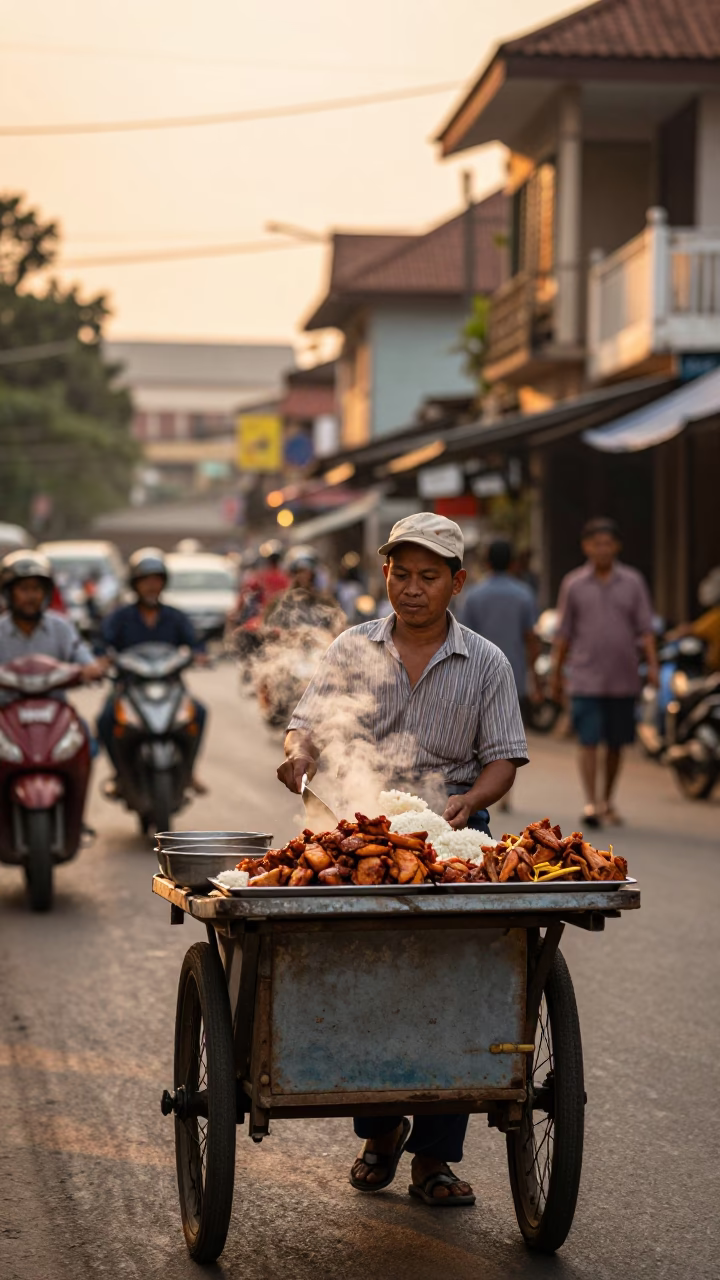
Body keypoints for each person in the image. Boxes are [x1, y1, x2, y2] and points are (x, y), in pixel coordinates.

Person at [277, 512, 528, 1208]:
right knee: (366, 975)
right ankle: (380, 1132)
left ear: (457, 582)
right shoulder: (350, 648)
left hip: (449, 836)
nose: (411, 589)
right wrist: (298, 755)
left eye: (428, 577)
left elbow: (503, 762)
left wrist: (466, 801)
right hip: (358, 836)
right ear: (384, 573)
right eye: (401, 573)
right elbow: (306, 726)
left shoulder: (487, 663)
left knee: (453, 982)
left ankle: (435, 1159)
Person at [551, 518, 658, 826]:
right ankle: (591, 803)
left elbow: (645, 629)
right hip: (585, 677)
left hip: (622, 678)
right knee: (588, 740)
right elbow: (563, 634)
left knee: (615, 743)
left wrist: (652, 666)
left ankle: (607, 798)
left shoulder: (633, 582)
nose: (602, 549)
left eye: (607, 543)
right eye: (596, 543)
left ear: (617, 546)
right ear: (586, 546)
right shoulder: (573, 584)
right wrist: (557, 675)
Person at [96, 548, 208, 789]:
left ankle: (188, 772)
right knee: (105, 719)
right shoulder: (120, 617)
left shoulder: (175, 617)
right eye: (145, 580)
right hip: (128, 687)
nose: (151, 586)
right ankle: (119, 775)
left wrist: (199, 655)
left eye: (156, 580)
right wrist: (101, 658)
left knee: (198, 712)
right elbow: (101, 644)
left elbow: (196, 643)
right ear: (134, 584)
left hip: (170, 687)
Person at [0, 551, 106, 706]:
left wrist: (93, 667)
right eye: (24, 589)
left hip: (55, 710)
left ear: (46, 593)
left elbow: (81, 655)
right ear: (9, 593)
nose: (31, 596)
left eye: (36, 589)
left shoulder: (61, 627)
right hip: (5, 711)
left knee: (83, 728)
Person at [461, 539, 539, 712]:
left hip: (479, 678)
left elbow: (463, 639)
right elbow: (531, 639)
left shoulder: (473, 595)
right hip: (514, 677)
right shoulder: (524, 594)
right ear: (513, 563)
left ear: (487, 563)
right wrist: (535, 680)